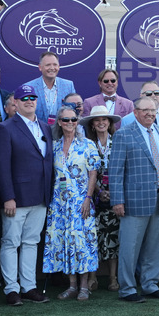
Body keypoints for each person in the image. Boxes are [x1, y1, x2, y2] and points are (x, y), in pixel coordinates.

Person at [108, 97, 159, 303]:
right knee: (130, 248)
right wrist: (117, 200)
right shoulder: (123, 135)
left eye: (153, 110)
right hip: (133, 201)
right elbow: (115, 171)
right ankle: (128, 289)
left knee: (154, 246)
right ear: (136, 112)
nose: (150, 114)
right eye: (145, 110)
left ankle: (150, 285)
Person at [0, 84, 54, 306]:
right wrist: (8, 196)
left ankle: (29, 287)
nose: (29, 101)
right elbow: (1, 165)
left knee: (31, 242)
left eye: (32, 98)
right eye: (24, 98)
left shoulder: (45, 128)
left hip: (40, 196)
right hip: (16, 198)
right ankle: (11, 289)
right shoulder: (5, 128)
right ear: (15, 103)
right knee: (10, 242)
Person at [43, 106, 100, 301]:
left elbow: (93, 173)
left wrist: (88, 198)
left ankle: (84, 286)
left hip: (81, 202)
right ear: (59, 122)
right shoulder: (55, 146)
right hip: (59, 204)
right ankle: (72, 285)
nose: (70, 123)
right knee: (64, 243)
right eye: (66, 120)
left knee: (82, 243)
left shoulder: (88, 145)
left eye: (73, 120)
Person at [80, 106, 121, 291]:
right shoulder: (87, 144)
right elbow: (84, 173)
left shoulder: (118, 141)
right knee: (92, 237)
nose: (101, 122)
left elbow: (123, 170)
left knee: (113, 237)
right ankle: (93, 278)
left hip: (115, 196)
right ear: (92, 125)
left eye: (105, 119)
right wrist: (97, 190)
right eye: (97, 120)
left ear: (110, 123)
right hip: (93, 198)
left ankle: (113, 278)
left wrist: (114, 191)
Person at [26, 52, 77, 127]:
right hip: (37, 131)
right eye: (48, 65)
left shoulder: (68, 85)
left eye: (55, 65)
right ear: (40, 67)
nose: (52, 68)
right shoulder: (29, 87)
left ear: (59, 67)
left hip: (62, 131)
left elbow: (74, 111)